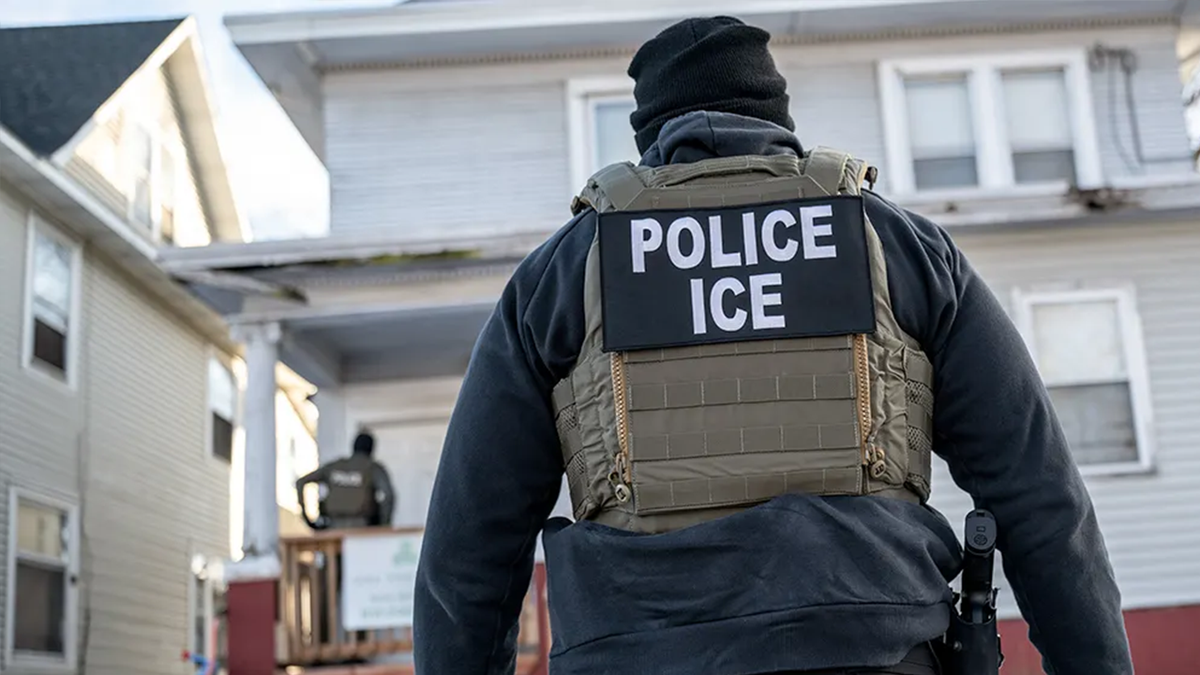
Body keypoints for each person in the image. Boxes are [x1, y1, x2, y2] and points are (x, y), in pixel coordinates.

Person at [412, 16, 1132, 675]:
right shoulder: (901, 247)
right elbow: (1041, 499)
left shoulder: (562, 274)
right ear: (777, 117)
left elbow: (468, 553)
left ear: (648, 137)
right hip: (878, 651)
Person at [296, 431, 396, 530]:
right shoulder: (372, 468)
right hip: (363, 529)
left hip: (333, 529)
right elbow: (388, 496)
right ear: (371, 449)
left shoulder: (334, 467)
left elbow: (301, 482)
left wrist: (307, 519)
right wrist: (383, 525)